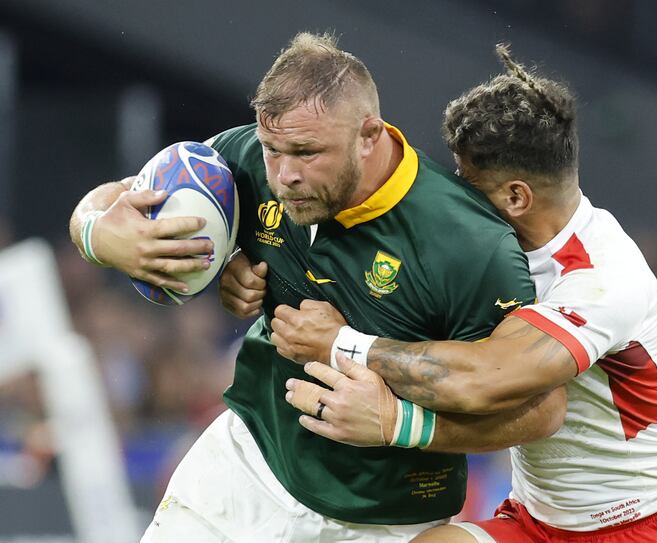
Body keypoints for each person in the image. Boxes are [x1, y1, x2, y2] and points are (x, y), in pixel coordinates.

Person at [69, 33, 566, 542]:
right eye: (273, 150)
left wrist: (399, 422)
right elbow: (120, 197)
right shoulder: (247, 159)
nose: (285, 176)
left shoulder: (469, 243)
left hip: (383, 520)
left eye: (307, 152)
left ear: (368, 135)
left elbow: (542, 410)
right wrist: (97, 233)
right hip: (244, 472)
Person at [269, 45, 657, 542]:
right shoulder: (491, 256)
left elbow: (486, 378)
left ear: (515, 196)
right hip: (536, 523)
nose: (452, 196)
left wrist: (342, 346)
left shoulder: (602, 279)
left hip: (652, 525)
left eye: (467, 182)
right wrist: (243, 270)